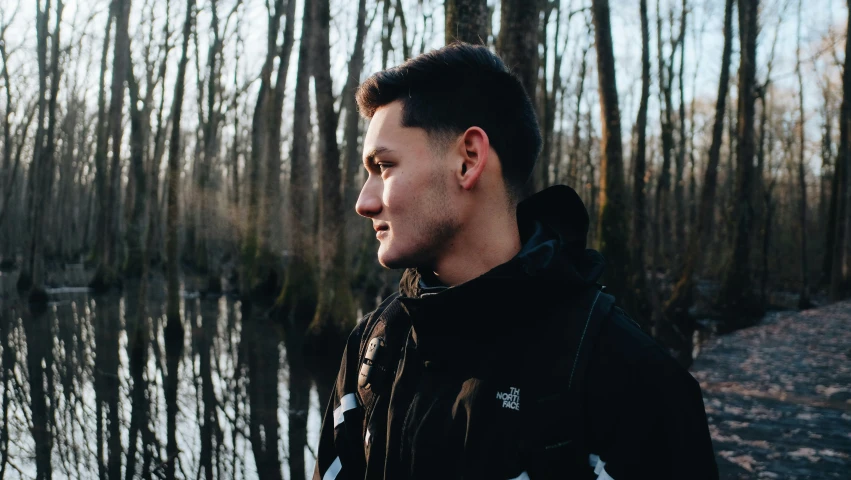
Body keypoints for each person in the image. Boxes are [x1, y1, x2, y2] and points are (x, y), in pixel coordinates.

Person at [313, 43, 718, 480]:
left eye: (383, 166)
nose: (363, 202)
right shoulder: (373, 349)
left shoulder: (632, 381)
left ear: (468, 160)